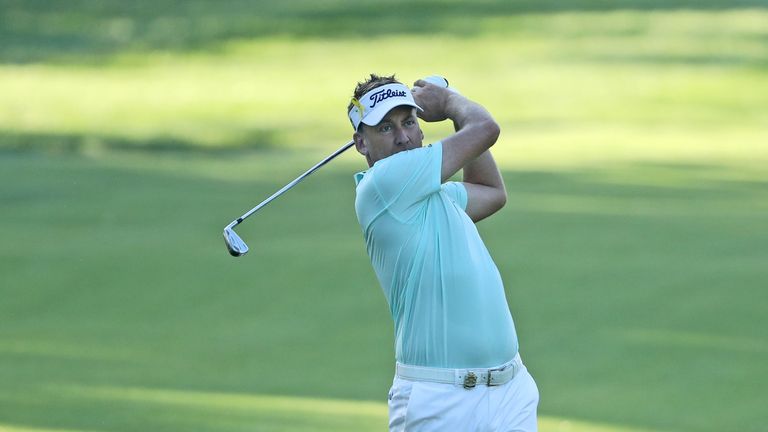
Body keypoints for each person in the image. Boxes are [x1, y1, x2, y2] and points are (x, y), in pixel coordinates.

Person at [348, 73, 539, 431]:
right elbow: (485, 128)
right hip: (439, 399)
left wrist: (454, 115)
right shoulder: (383, 186)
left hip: (509, 390)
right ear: (361, 143)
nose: (404, 137)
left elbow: (490, 191)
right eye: (385, 128)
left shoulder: (438, 195)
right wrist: (451, 102)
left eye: (409, 121)